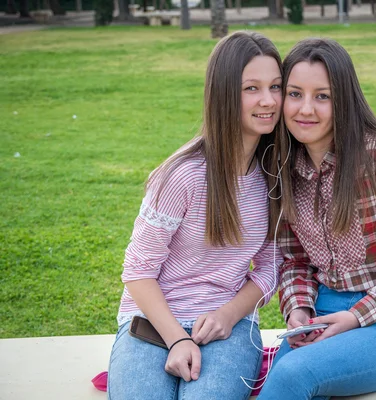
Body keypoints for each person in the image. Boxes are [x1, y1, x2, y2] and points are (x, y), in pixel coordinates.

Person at [258, 38, 376, 399]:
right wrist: (298, 311)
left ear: (344, 99)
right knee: (285, 379)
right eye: (295, 94)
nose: (305, 109)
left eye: (322, 96)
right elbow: (295, 260)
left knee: (293, 376)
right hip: (320, 315)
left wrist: (355, 316)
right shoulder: (283, 166)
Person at [107, 31, 283, 400]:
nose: (269, 101)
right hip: (154, 323)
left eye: (276, 87)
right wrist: (176, 339)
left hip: (229, 328)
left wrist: (229, 315)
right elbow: (138, 271)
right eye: (251, 88)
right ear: (223, 93)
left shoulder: (275, 173)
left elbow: (270, 266)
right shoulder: (182, 175)